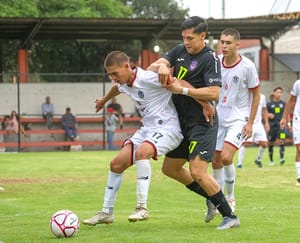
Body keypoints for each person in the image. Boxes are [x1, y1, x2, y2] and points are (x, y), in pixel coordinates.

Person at [148, 17, 240, 230]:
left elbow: (214, 93)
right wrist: (162, 65)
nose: (186, 42)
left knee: (198, 171)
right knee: (170, 168)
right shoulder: (179, 51)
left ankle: (230, 216)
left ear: (202, 36)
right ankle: (212, 196)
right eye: (183, 37)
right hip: (180, 122)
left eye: (190, 38)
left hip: (202, 123)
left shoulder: (210, 59)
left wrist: (183, 90)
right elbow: (156, 65)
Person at [83, 50, 183, 226]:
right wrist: (104, 100)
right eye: (110, 75)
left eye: (115, 73)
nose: (113, 78)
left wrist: (205, 104)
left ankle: (142, 208)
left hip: (168, 128)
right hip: (147, 130)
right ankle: (107, 212)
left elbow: (178, 83)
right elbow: (117, 88)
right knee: (116, 164)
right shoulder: (124, 82)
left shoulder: (148, 78)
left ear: (127, 66)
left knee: (142, 153)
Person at [209, 28, 260, 218]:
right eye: (221, 42)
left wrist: (250, 123)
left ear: (237, 45)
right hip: (218, 118)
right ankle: (216, 199)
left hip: (238, 119)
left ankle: (230, 198)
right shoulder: (215, 63)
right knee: (215, 159)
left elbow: (255, 94)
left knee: (226, 158)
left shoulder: (247, 66)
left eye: (228, 42)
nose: (223, 45)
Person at [237, 93, 270, 168]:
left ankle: (258, 160)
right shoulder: (245, 95)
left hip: (258, 124)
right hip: (247, 123)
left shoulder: (262, 97)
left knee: (264, 144)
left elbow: (264, 110)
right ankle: (239, 163)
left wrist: (266, 123)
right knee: (246, 143)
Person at [280, 79, 300, 186]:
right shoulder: (297, 84)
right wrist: (284, 118)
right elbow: (290, 101)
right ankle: (299, 177)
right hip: (298, 120)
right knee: (299, 148)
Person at [267, 87, 286, 166]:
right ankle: (271, 160)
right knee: (271, 142)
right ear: (274, 93)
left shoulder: (283, 104)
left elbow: (286, 114)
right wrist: (268, 115)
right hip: (272, 127)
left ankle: (282, 158)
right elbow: (264, 113)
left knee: (282, 140)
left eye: (280, 92)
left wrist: (288, 124)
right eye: (277, 92)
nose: (279, 94)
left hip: (281, 126)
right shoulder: (269, 104)